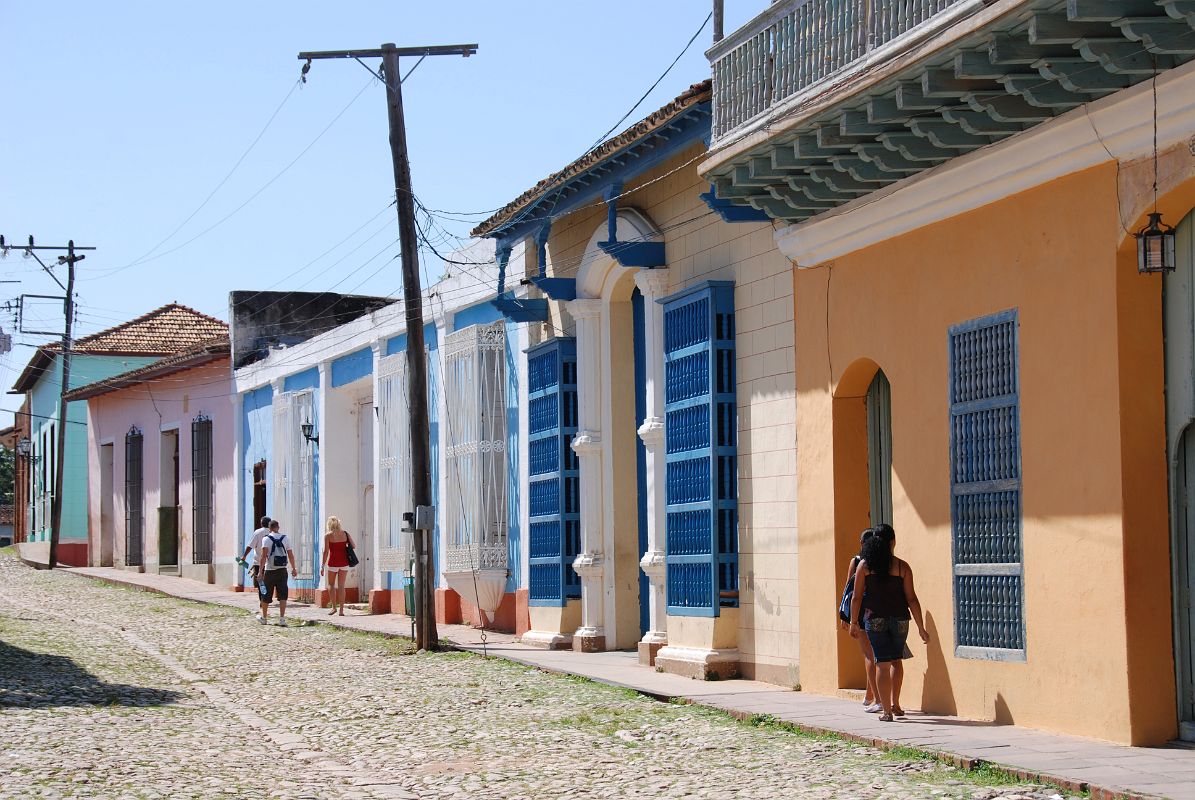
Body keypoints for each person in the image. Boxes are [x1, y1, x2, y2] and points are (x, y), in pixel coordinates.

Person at [848, 524, 929, 722]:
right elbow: (912, 599)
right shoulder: (902, 566)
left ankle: (886, 711)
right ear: (893, 542)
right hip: (901, 619)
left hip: (874, 619)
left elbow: (856, 597)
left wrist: (853, 621)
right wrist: (921, 627)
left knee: (881, 665)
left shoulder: (865, 566)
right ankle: (897, 704)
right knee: (896, 661)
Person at [839, 529, 880, 712]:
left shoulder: (857, 562)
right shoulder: (885, 562)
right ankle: (871, 694)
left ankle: (875, 697)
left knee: (868, 655)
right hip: (880, 610)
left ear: (862, 543)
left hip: (862, 613)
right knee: (878, 655)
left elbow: (849, 590)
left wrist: (845, 616)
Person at [257, 520, 298, 627]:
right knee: (283, 594)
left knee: (266, 594)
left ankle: (264, 618)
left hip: (270, 570)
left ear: (269, 528)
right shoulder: (285, 538)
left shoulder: (266, 539)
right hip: (282, 570)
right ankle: (282, 619)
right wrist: (294, 568)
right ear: (278, 527)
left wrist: (260, 572)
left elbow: (263, 556)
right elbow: (291, 555)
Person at [319, 516, 355, 616]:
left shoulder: (328, 536)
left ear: (329, 525)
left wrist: (322, 566)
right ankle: (342, 610)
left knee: (331, 584)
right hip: (344, 563)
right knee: (342, 586)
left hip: (333, 563)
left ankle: (334, 607)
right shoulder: (345, 533)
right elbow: (354, 546)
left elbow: (326, 552)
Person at [242, 516, 271, 622]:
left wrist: (244, 556)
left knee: (261, 583)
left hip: (259, 562)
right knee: (268, 583)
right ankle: (266, 600)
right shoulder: (273, 533)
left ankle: (262, 601)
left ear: (261, 523)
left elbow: (250, 545)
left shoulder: (258, 532)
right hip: (271, 563)